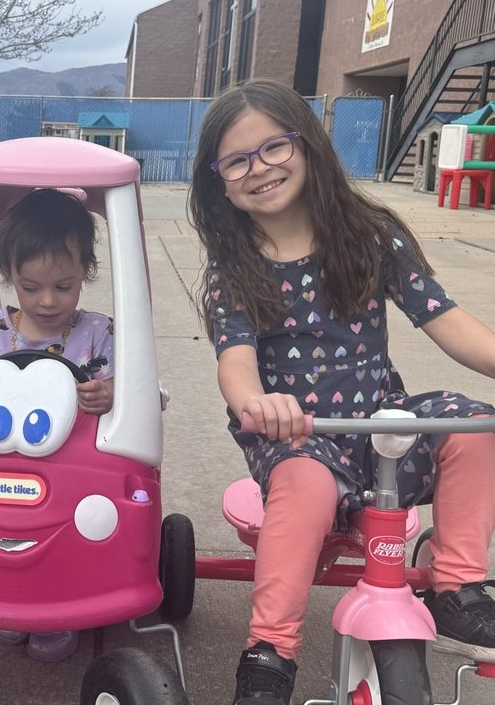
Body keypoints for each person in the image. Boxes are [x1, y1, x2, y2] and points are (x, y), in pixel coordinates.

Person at [188, 77, 495, 705]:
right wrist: (257, 403)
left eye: (273, 148)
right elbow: (235, 362)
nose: (260, 169)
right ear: (218, 181)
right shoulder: (234, 271)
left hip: (380, 428)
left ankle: (457, 584)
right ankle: (270, 651)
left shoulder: (370, 235)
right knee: (304, 482)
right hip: (298, 438)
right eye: (237, 160)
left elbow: (448, 321)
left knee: (471, 424)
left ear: (307, 144)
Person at [0, 188, 115, 662]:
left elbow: (127, 401)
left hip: (74, 469)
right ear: (9, 276)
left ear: (86, 271)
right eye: (30, 288)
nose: (48, 301)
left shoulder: (98, 333)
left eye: (64, 287)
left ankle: (61, 607)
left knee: (68, 532)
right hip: (4, 464)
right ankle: (2, 598)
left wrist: (107, 396)